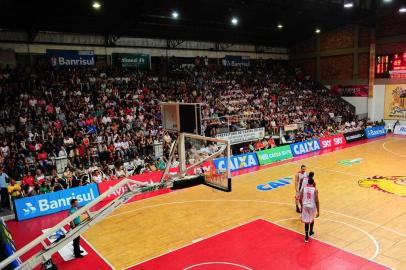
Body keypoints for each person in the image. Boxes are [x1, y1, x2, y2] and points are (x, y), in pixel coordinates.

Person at [299, 172, 319, 243]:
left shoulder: (304, 188)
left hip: (305, 206)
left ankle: (306, 236)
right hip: (312, 206)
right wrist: (318, 211)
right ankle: (311, 231)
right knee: (312, 219)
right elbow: (316, 200)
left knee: (306, 222)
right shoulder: (315, 189)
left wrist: (302, 206)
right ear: (313, 182)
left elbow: (300, 198)